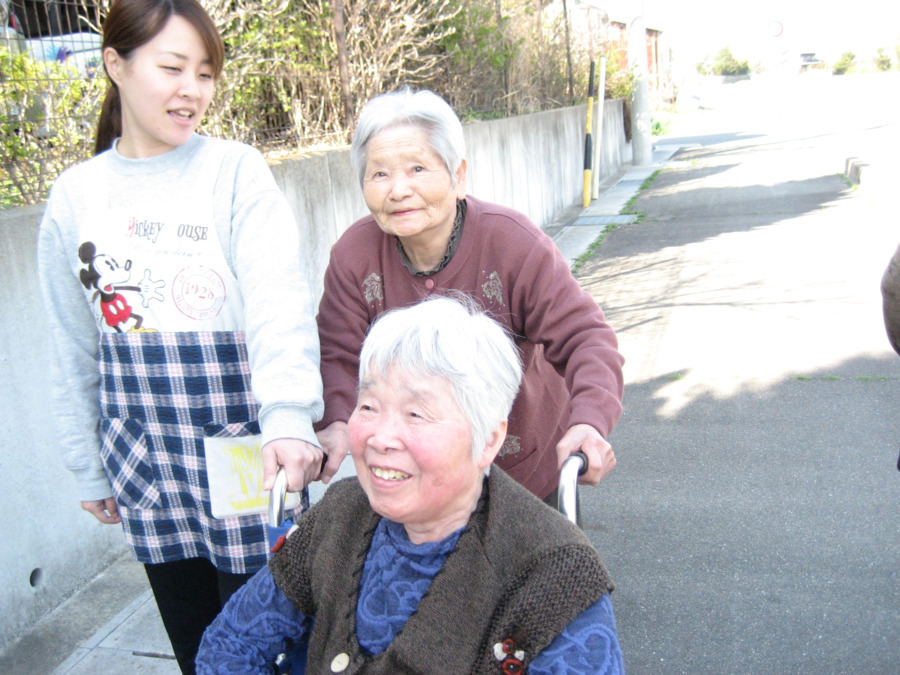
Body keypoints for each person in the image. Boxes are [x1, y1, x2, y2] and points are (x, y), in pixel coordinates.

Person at [36, 0, 323, 671]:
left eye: (205, 71)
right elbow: (74, 342)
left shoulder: (233, 170)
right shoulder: (76, 194)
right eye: (172, 67)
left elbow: (278, 297)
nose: (192, 89)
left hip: (245, 450)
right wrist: (89, 460)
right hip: (145, 455)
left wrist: (288, 415)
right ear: (116, 64)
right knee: (197, 647)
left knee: (272, 638)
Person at [196, 296, 623, 673]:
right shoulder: (339, 514)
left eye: (416, 414)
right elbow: (230, 645)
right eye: (368, 405)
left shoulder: (552, 574)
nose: (380, 437)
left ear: (488, 440)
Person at [315, 87, 625, 502]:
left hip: (519, 474)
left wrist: (589, 420)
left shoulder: (512, 244)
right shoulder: (355, 255)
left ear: (458, 176)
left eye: (418, 169)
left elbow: (587, 338)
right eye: (380, 173)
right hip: (411, 478)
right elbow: (337, 352)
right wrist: (336, 420)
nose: (398, 190)